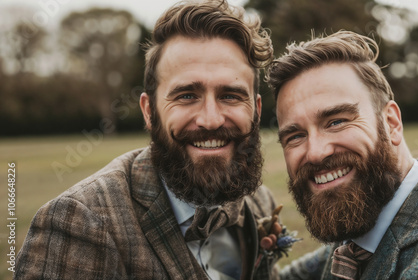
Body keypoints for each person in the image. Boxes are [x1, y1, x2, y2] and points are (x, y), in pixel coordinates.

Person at [15, 1, 286, 279]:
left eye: (230, 95)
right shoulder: (80, 223)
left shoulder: (257, 201)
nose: (211, 119)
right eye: (187, 96)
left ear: (257, 110)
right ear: (149, 111)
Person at [267, 30, 418, 279]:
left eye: (336, 122)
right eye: (295, 136)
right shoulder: (359, 234)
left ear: (391, 123)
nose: (315, 153)